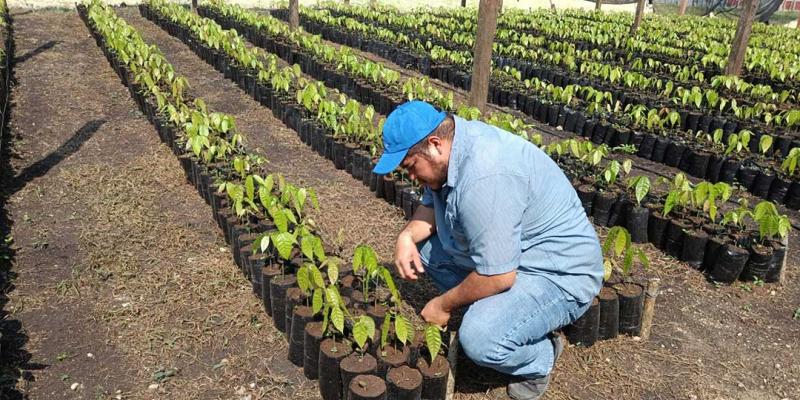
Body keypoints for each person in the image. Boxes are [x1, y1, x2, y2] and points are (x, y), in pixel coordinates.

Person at [372, 101, 603, 400]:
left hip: (559, 274)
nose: (411, 178)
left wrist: (443, 305)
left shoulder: (485, 177)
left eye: (410, 167)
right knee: (424, 249)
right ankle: (504, 314)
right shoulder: (453, 150)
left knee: (480, 338)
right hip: (515, 257)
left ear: (434, 144)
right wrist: (405, 237)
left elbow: (499, 277)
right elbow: (430, 206)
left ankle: (540, 358)